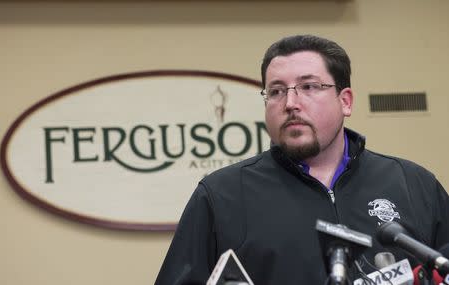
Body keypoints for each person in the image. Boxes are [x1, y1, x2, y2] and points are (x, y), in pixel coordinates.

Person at [155, 35, 449, 284]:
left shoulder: (414, 184)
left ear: (345, 101)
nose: (290, 104)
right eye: (276, 91)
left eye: (309, 87)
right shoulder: (221, 196)